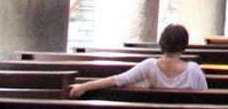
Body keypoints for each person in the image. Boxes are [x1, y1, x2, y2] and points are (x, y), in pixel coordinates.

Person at [69, 23, 207, 96]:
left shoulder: (150, 65)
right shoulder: (193, 70)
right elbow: (205, 97)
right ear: (184, 45)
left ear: (162, 42)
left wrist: (84, 86)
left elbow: (117, 80)